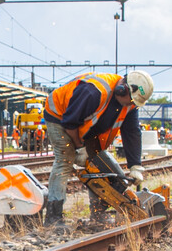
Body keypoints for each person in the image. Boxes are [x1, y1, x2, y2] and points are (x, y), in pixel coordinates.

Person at [40, 70, 152, 228]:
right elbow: (70, 123)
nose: (131, 105)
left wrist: (135, 165)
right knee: (65, 159)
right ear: (123, 89)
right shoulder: (93, 92)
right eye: (131, 101)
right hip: (59, 117)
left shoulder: (130, 105)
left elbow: (132, 132)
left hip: (84, 124)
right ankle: (53, 217)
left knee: (99, 165)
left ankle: (98, 215)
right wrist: (79, 147)